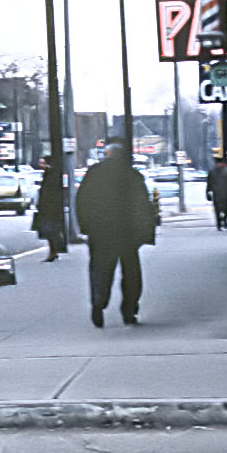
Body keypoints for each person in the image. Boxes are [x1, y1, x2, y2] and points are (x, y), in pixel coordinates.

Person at [73, 139, 158, 327]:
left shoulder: (94, 173)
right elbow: (142, 206)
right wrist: (146, 232)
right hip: (127, 232)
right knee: (131, 273)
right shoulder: (133, 175)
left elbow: (82, 201)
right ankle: (129, 310)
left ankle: (98, 301)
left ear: (108, 154)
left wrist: (85, 226)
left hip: (100, 231)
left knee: (100, 270)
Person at [31, 158, 68, 262]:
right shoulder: (49, 174)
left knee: (50, 230)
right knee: (50, 231)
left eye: (42, 163)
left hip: (49, 208)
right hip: (48, 207)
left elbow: (49, 193)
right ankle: (53, 251)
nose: (40, 165)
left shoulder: (50, 175)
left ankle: (53, 252)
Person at [206, 157, 227, 230]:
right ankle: (219, 224)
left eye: (219, 163)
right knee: (217, 210)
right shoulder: (212, 171)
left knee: (226, 210)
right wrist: (208, 193)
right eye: (217, 163)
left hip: (226, 194)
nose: (218, 164)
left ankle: (225, 220)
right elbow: (209, 183)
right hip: (216, 194)